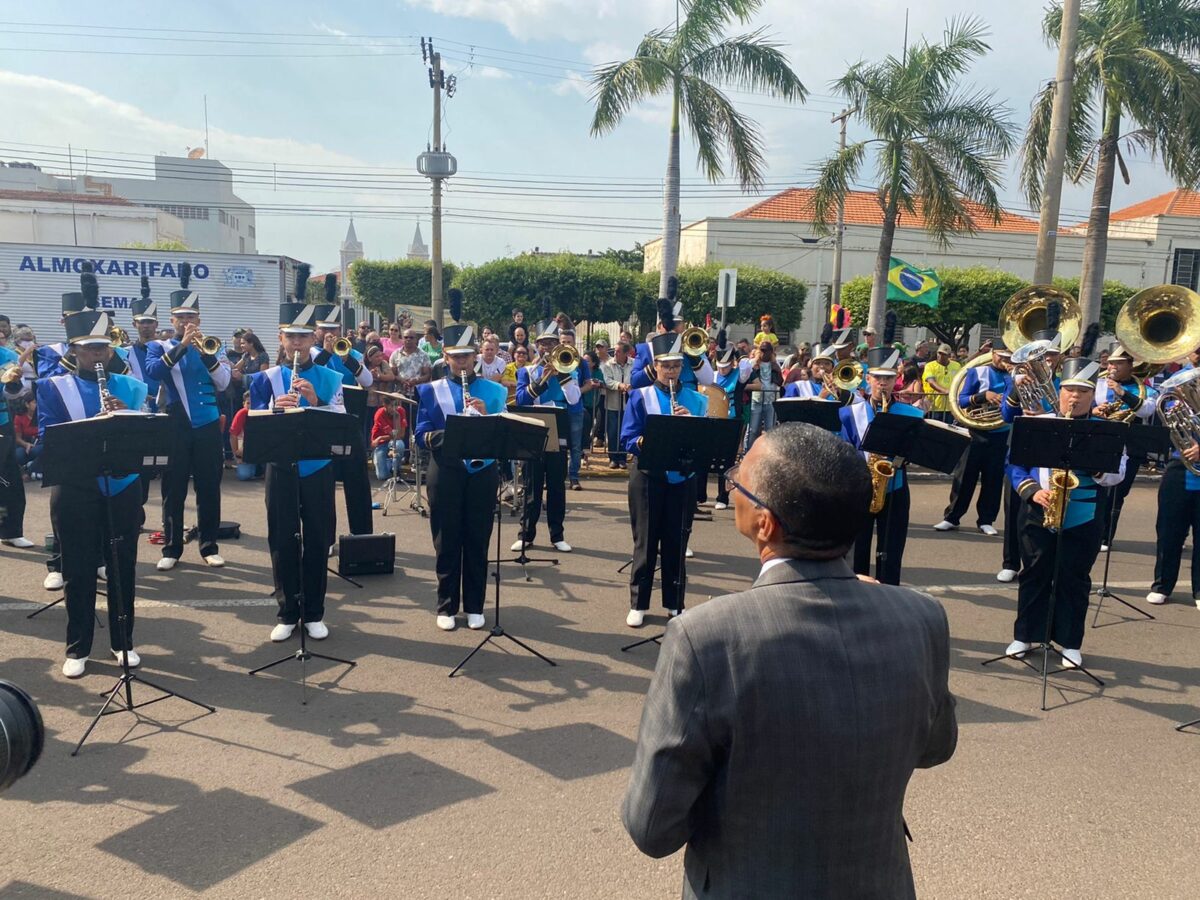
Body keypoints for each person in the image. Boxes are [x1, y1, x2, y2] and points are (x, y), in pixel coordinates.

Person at [623, 423, 956, 900]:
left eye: (741, 477)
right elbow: (935, 747)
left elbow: (652, 827)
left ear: (765, 523)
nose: (733, 479)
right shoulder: (923, 616)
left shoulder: (706, 636)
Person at [37, 309, 149, 678]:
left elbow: (148, 436)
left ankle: (123, 641)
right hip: (75, 486)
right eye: (89, 349)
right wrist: (91, 426)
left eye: (102, 347)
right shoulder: (53, 387)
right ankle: (78, 646)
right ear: (74, 350)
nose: (97, 355)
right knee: (78, 567)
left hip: (122, 485)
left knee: (122, 566)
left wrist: (127, 415)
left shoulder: (132, 386)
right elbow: (45, 442)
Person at [1004, 357, 1126, 669]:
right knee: (1033, 572)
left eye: (1082, 391)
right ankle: (1025, 635)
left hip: (1084, 515)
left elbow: (1117, 475)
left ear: (1093, 395)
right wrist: (1032, 490)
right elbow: (1014, 463)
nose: (1074, 396)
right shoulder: (1039, 422)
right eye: (1069, 389)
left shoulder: (1108, 432)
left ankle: (1070, 643)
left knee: (1074, 579)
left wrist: (1098, 466)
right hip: (1038, 509)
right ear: (1059, 391)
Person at [248, 301, 347, 643]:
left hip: (317, 468)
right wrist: (276, 409)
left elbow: (341, 426)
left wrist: (317, 402)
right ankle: (288, 611)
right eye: (292, 337)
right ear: (281, 338)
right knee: (282, 539)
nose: (298, 344)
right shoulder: (265, 379)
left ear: (314, 338)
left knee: (318, 539)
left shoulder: (331, 377)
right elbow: (253, 426)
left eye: (304, 337)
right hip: (281, 468)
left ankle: (315, 612)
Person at [414, 321, 507, 631]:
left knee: (478, 540)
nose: (463, 362)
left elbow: (505, 433)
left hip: (482, 472)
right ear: (446, 356)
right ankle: (446, 605)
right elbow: (421, 434)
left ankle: (476, 605)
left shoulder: (494, 391)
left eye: (468, 356)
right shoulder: (430, 391)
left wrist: (485, 418)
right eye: (456, 356)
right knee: (447, 539)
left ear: (476, 356)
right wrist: (454, 433)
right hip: (446, 471)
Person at [143, 263, 231, 572]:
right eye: (180, 318)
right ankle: (171, 547)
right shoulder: (158, 346)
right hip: (176, 425)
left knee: (209, 487)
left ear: (199, 319)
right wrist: (181, 345)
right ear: (172, 320)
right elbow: (153, 373)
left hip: (207, 424)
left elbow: (223, 383)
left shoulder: (212, 347)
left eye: (191, 317)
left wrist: (205, 353)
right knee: (174, 488)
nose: (186, 322)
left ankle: (209, 545)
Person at [620, 332, 708, 627]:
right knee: (645, 542)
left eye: (675, 366)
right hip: (648, 477)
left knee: (676, 541)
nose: (671, 371)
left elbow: (704, 443)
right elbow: (628, 438)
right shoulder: (639, 396)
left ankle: (674, 601)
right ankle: (638, 603)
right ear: (655, 366)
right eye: (665, 365)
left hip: (683, 477)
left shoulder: (696, 400)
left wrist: (689, 426)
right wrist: (655, 437)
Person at [840, 347, 924, 585]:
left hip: (895, 487)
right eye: (878, 377)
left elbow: (915, 449)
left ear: (895, 379)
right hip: (860, 489)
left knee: (892, 549)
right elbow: (844, 449)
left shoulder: (910, 413)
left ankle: (889, 593)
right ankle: (856, 592)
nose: (883, 383)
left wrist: (898, 460)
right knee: (858, 549)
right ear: (868, 379)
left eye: (888, 378)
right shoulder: (849, 413)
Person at [310, 290, 375, 537]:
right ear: (316, 331)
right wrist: (327, 352)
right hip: (323, 419)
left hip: (349, 421)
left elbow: (368, 381)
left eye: (334, 329)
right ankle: (325, 537)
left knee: (357, 480)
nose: (330, 334)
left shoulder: (352, 352)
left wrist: (347, 359)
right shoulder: (314, 352)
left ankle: (362, 536)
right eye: (324, 329)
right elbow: (312, 372)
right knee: (324, 483)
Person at [934, 342, 1013, 538]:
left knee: (993, 480)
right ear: (993, 354)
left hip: (1001, 433)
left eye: (1009, 357)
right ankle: (952, 517)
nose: (1005, 361)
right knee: (964, 476)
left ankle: (986, 520)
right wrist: (983, 396)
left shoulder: (1015, 376)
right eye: (1002, 356)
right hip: (975, 432)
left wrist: (1014, 378)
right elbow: (960, 400)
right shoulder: (977, 372)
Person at [513, 320, 575, 553]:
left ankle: (557, 535)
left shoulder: (569, 369)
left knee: (557, 485)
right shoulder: (526, 371)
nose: (547, 348)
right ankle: (526, 534)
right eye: (543, 344)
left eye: (551, 343)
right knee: (532, 485)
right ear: (536, 346)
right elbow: (521, 400)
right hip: (534, 427)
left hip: (559, 426)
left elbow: (575, 399)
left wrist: (563, 377)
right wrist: (543, 379)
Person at [1147, 347, 1200, 607]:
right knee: (1168, 531)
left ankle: (1199, 590)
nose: (1198, 353)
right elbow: (1157, 413)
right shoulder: (1176, 383)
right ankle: (1162, 584)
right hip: (1179, 466)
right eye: (1195, 349)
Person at [1094, 343, 1158, 549]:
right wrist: (1096, 410)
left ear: (1131, 365)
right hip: (1102, 440)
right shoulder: (1099, 383)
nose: (1112, 367)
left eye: (1118, 364)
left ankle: (1106, 536)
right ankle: (1092, 531)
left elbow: (1145, 411)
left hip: (1129, 445)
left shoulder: (1146, 389)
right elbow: (1088, 404)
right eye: (1111, 363)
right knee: (1096, 489)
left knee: (1117, 494)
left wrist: (1121, 392)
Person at [124, 278, 162, 413]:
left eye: (149, 322)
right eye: (141, 322)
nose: (145, 325)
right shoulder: (125, 353)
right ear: (134, 324)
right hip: (139, 407)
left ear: (156, 324)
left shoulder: (166, 349)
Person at [742, 340, 783, 451]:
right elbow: (745, 380)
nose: (765, 353)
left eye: (768, 350)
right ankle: (748, 451)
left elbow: (780, 381)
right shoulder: (752, 363)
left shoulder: (775, 364)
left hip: (771, 400)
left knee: (770, 429)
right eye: (763, 350)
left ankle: (769, 452)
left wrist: (776, 368)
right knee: (753, 429)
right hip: (756, 399)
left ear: (772, 352)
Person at [600, 341, 634, 469]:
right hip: (612, 403)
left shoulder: (633, 363)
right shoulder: (608, 364)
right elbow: (607, 380)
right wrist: (619, 385)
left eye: (619, 351)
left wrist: (630, 385)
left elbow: (635, 377)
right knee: (613, 431)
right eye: (615, 351)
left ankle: (622, 457)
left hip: (628, 404)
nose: (615, 353)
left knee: (625, 431)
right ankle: (613, 458)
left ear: (626, 353)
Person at [370, 394, 408, 481]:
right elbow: (394, 434)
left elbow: (400, 435)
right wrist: (380, 439)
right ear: (385, 405)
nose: (395, 408)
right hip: (380, 444)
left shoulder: (400, 411)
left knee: (400, 445)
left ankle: (395, 469)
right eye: (392, 406)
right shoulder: (379, 414)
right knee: (382, 476)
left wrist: (397, 417)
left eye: (396, 405)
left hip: (391, 440)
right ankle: (387, 462)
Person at [922, 343, 961, 424]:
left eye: (944, 354)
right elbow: (931, 382)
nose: (941, 356)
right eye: (939, 353)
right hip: (933, 406)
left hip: (951, 406)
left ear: (949, 355)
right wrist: (945, 391)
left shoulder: (957, 366)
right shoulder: (930, 366)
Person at [228, 392, 261, 481]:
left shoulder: (262, 412)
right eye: (248, 403)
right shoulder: (241, 414)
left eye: (253, 403)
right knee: (244, 475)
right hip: (244, 452)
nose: (250, 406)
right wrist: (236, 456)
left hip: (260, 452)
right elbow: (233, 436)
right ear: (243, 404)